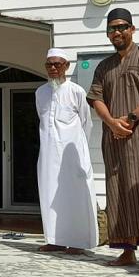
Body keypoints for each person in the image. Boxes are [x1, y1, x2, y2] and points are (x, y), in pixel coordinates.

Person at [87, 8, 139, 272]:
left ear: (132, 29)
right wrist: (112, 122)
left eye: (122, 27)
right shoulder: (104, 66)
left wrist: (132, 117)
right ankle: (127, 251)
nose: (117, 32)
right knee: (118, 191)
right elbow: (96, 98)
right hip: (114, 137)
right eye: (112, 28)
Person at [35, 48, 98, 254]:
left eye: (57, 64)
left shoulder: (76, 91)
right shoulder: (40, 92)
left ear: (66, 66)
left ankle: (78, 242)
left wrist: (81, 151)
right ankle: (55, 240)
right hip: (48, 154)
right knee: (50, 194)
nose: (53, 68)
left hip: (72, 155)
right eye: (49, 64)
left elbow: (86, 123)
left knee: (75, 195)